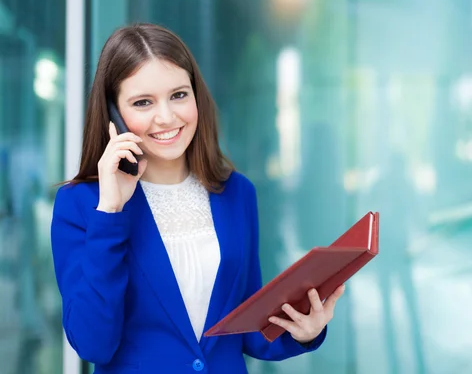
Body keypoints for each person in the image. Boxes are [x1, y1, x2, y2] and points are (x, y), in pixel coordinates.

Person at [50, 23, 345, 373]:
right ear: (114, 115)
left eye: (178, 95)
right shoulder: (82, 206)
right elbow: (94, 344)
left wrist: (304, 331)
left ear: (196, 96)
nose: (167, 117)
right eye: (143, 102)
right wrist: (111, 211)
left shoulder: (236, 193)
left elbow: (247, 331)